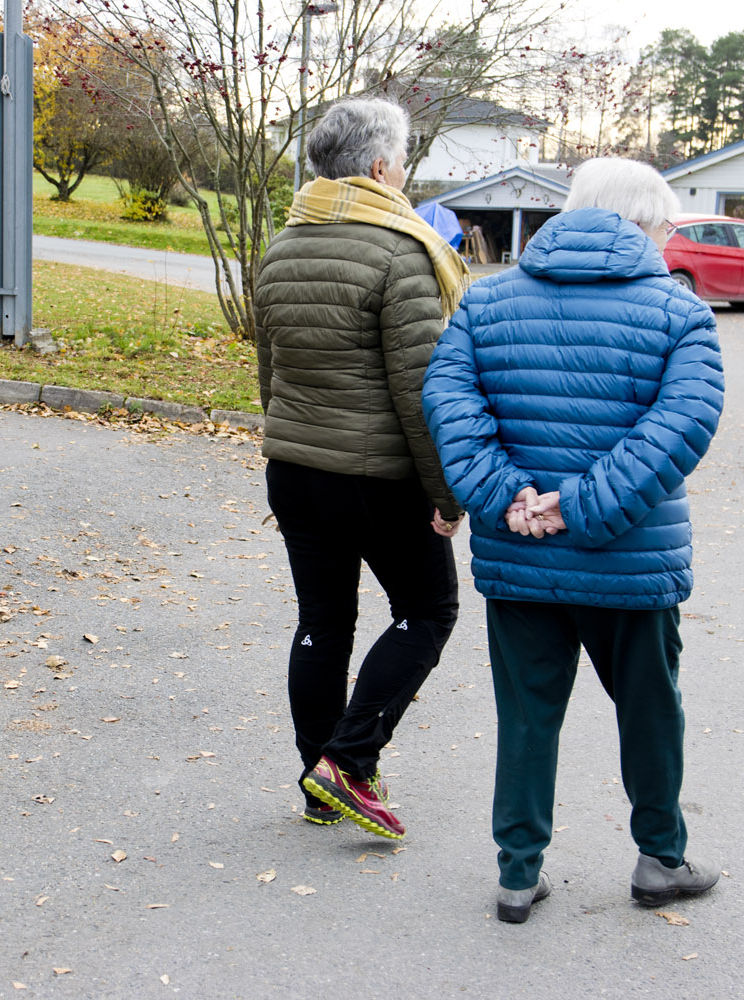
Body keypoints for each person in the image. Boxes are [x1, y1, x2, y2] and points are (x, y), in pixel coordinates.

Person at [422, 157, 726, 920]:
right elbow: (680, 427)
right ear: (642, 224)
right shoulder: (679, 312)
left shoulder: (484, 303)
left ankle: (518, 874)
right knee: (651, 708)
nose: (665, 241)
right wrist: (584, 506)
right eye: (663, 228)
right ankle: (661, 858)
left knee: (526, 715)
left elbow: (449, 405)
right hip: (631, 557)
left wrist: (510, 498)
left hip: (520, 554)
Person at [254, 97, 470, 840]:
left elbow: (270, 373)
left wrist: (288, 438)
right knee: (428, 610)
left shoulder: (283, 246)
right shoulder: (399, 251)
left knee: (323, 623)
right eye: (403, 162)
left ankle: (321, 784)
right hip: (376, 477)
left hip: (294, 466)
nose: (406, 176)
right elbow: (419, 391)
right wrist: (446, 491)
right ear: (379, 168)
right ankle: (346, 761)